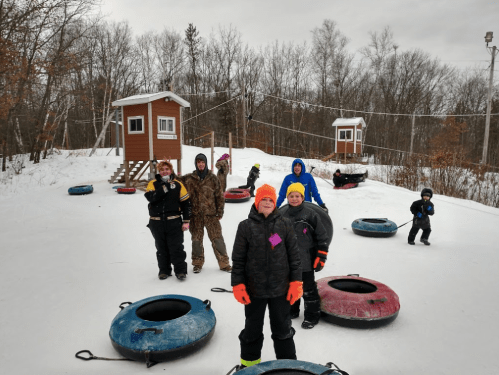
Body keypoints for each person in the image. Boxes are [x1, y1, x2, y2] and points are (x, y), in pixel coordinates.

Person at [231, 184, 303, 368]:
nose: (267, 202)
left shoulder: (284, 224)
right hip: (254, 291)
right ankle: (248, 367)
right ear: (257, 202)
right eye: (264, 199)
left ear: (275, 203)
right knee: (252, 331)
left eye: (271, 199)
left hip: (281, 290)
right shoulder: (245, 227)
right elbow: (238, 260)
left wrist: (296, 282)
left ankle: (288, 368)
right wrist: (238, 285)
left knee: (283, 331)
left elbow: (294, 257)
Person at [280, 183, 330, 329]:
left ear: (302, 197)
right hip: (288, 260)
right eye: (291, 196)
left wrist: (321, 256)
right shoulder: (282, 215)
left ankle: (312, 315)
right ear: (287, 197)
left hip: (306, 259)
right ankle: (293, 310)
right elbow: (277, 235)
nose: (294, 199)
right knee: (291, 286)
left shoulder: (311, 214)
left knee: (308, 289)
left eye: (297, 196)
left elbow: (322, 237)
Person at [180, 153, 232, 273]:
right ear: (196, 164)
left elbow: (219, 196)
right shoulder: (189, 178)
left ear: (206, 163)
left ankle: (224, 263)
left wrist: (220, 211)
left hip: (211, 215)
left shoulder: (213, 178)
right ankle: (197, 263)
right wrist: (170, 170)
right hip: (195, 215)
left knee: (217, 239)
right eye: (199, 162)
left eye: (202, 162)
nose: (201, 164)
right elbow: (176, 181)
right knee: (196, 240)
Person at [145, 160, 191, 281]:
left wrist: (186, 221)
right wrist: (163, 187)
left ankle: (180, 271)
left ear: (171, 170)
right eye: (162, 169)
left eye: (167, 169)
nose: (164, 171)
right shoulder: (152, 184)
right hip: (157, 222)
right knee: (161, 248)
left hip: (174, 221)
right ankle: (164, 270)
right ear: (159, 171)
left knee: (176, 247)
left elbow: (186, 204)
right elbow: (151, 198)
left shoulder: (178, 184)